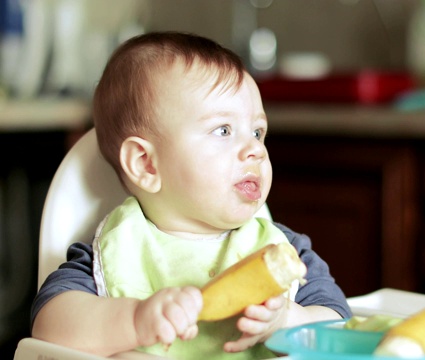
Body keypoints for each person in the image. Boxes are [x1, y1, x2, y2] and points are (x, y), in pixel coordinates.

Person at [30, 31, 352, 359]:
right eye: (223, 130)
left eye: (257, 132)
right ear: (146, 165)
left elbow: (341, 322)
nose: (255, 149)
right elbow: (48, 326)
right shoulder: (120, 250)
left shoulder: (283, 250)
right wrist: (134, 320)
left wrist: (290, 320)